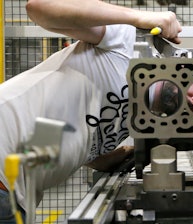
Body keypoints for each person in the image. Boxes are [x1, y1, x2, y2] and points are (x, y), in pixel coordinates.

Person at [0, 0, 181, 222]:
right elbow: (39, 7)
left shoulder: (148, 114)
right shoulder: (130, 45)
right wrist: (139, 17)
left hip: (15, 196)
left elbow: (64, 127)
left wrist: (102, 158)